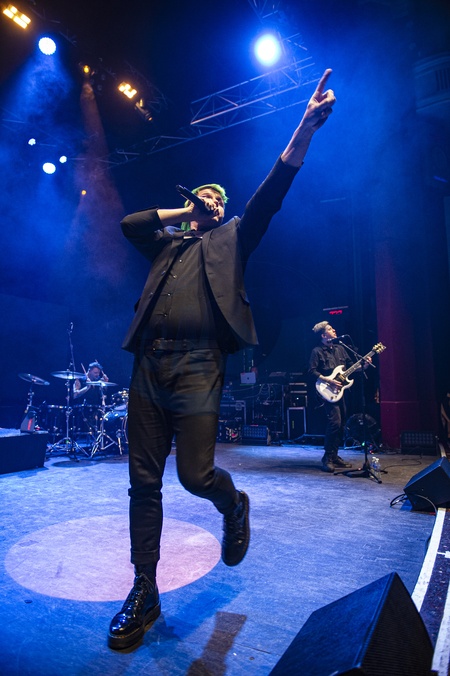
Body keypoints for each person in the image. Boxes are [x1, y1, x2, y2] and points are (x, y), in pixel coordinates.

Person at [108, 69, 336, 651]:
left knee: (195, 475)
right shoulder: (168, 244)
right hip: (148, 366)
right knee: (142, 483)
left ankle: (234, 504)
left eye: (217, 199)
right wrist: (183, 215)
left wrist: (304, 129)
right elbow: (130, 224)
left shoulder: (233, 237)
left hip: (199, 365)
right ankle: (143, 590)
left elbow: (273, 191)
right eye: (204, 198)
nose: (211, 202)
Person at [308, 322, 366, 472]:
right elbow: (311, 371)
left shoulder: (340, 348)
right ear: (323, 335)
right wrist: (329, 380)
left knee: (342, 424)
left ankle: (334, 456)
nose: (334, 330)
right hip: (326, 391)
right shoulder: (317, 351)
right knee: (335, 423)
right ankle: (327, 457)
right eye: (330, 329)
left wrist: (364, 365)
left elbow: (352, 367)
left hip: (340, 392)